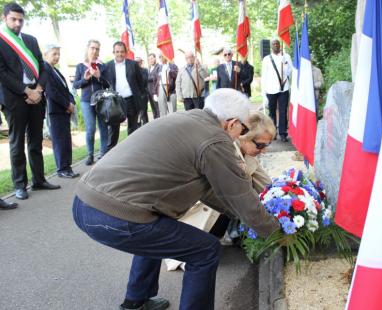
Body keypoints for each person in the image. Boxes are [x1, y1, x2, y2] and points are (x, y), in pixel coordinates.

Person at [72, 88, 279, 310]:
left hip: (84, 203)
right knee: (205, 250)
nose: (241, 134)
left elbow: (211, 193)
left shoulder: (189, 118)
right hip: (115, 216)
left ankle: (136, 301)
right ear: (232, 123)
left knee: (157, 227)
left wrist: (235, 213)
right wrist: (278, 233)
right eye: (244, 128)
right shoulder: (216, 141)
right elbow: (241, 198)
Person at [165, 111, 276, 270]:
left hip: (219, 209)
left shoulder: (247, 153)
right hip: (196, 212)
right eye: (260, 145)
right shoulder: (225, 150)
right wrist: (272, 229)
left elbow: (267, 186)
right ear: (243, 137)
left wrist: (285, 197)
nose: (264, 150)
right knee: (204, 255)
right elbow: (233, 196)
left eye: (268, 145)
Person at [0, 2, 60, 200]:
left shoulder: (31, 40)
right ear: (4, 18)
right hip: (15, 99)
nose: (18, 23)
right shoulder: (1, 40)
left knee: (36, 141)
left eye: (20, 19)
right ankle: (20, 185)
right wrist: (26, 90)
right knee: (17, 143)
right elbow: (2, 73)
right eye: (13, 19)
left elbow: (42, 68)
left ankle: (39, 180)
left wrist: (38, 89)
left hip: (37, 96)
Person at [43, 44, 79, 179]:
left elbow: (65, 89)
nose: (57, 56)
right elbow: (52, 92)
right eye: (54, 54)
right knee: (59, 141)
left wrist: (72, 102)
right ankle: (62, 169)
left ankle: (67, 167)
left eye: (58, 54)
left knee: (66, 139)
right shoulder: (45, 69)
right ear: (46, 54)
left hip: (64, 110)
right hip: (56, 111)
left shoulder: (56, 71)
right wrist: (66, 104)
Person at [102, 41, 144, 150]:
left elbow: (141, 82)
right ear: (113, 52)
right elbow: (104, 82)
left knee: (133, 128)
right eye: (117, 52)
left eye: (122, 52)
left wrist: (140, 97)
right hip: (115, 102)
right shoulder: (107, 66)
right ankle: (110, 153)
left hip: (131, 100)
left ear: (125, 52)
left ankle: (133, 151)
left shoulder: (133, 64)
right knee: (114, 129)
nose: (119, 54)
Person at [73, 39, 108, 166]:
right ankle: (90, 154)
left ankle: (104, 153)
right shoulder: (80, 66)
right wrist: (84, 79)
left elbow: (108, 84)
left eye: (97, 49)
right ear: (87, 48)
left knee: (103, 127)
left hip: (101, 100)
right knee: (91, 128)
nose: (94, 51)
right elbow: (76, 85)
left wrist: (99, 76)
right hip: (86, 101)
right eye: (92, 48)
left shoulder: (102, 65)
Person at [261, 39, 293, 142]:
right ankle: (273, 132)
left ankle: (283, 133)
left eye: (277, 44)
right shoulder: (266, 59)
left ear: (280, 45)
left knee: (283, 111)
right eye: (273, 44)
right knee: (272, 112)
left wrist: (285, 65)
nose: (275, 45)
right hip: (271, 89)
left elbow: (290, 71)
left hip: (284, 88)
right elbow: (264, 76)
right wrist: (264, 93)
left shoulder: (286, 56)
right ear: (271, 46)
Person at [135, 56, 149, 125]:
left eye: (139, 62)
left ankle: (146, 126)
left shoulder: (145, 70)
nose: (138, 63)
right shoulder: (132, 71)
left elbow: (146, 81)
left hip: (143, 95)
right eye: (136, 62)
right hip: (135, 96)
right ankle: (138, 127)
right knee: (137, 114)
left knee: (144, 113)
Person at [146, 53, 160, 119]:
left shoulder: (158, 67)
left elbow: (156, 77)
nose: (150, 60)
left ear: (155, 58)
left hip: (156, 92)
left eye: (152, 58)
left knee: (158, 109)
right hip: (149, 93)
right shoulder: (148, 69)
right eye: (149, 59)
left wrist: (146, 78)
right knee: (153, 110)